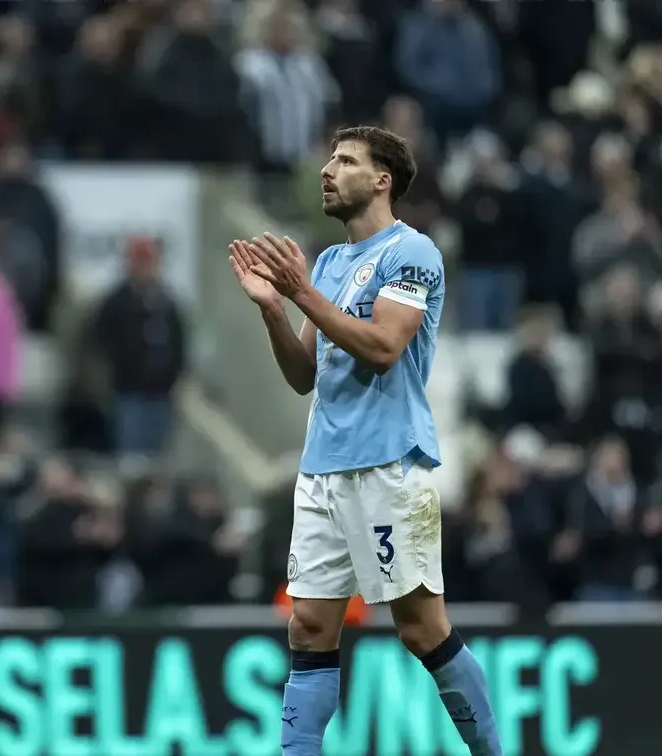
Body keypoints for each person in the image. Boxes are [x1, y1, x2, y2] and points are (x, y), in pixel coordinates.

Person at [228, 125, 502, 755]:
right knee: (308, 624)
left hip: (389, 464)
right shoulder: (329, 263)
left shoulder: (412, 253)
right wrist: (275, 307)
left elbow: (382, 348)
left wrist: (302, 294)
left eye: (345, 160)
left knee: (421, 629)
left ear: (382, 180)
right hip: (322, 467)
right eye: (329, 159)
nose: (328, 169)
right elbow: (304, 376)